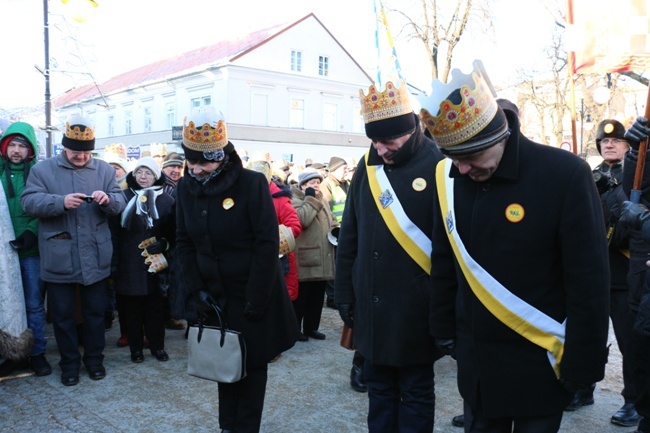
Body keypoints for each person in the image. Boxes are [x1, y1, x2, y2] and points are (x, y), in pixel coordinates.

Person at [420, 61, 610, 432]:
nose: (461, 169)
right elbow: (444, 260)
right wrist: (443, 329)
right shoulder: (450, 178)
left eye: (470, 158)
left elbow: (588, 280)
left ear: (499, 138)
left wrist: (583, 366)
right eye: (453, 159)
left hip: (538, 361)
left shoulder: (565, 174)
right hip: (478, 364)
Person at [171, 107, 299, 433]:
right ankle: (228, 426)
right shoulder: (186, 187)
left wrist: (257, 298)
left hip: (253, 294)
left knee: (252, 366)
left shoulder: (252, 184)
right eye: (191, 161)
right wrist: (194, 289)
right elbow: (184, 242)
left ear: (222, 157)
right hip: (212, 296)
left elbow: (265, 243)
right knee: (222, 363)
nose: (196, 169)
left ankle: (246, 428)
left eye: (204, 162)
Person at [334, 79, 444, 432]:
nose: (380, 149)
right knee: (377, 390)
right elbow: (350, 233)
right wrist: (345, 295)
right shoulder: (368, 167)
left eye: (388, 142)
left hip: (416, 307)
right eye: (375, 141)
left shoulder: (440, 165)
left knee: (415, 392)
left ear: (411, 131)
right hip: (371, 303)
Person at [21, 114, 127, 387]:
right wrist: (60, 202)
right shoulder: (42, 170)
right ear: (64, 147)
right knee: (63, 316)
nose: (81, 157)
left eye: (86, 152)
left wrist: (108, 200)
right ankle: (69, 364)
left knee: (95, 314)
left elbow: (119, 201)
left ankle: (94, 361)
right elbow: (29, 202)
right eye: (75, 151)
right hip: (59, 256)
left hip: (95, 254)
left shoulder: (104, 170)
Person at [564, 119, 640, 426]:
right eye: (604, 142)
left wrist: (614, 193)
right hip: (591, 272)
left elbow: (629, 223)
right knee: (585, 334)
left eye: (616, 141)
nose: (609, 144)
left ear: (628, 146)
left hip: (622, 272)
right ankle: (582, 387)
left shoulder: (635, 179)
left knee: (630, 342)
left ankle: (634, 399)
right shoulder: (588, 175)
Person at [109, 157, 175, 364]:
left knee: (155, 309)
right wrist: (114, 262)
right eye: (139, 172)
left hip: (155, 263)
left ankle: (158, 347)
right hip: (128, 261)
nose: (143, 177)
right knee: (131, 310)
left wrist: (164, 244)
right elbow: (114, 232)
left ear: (156, 175)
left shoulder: (166, 200)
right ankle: (135, 349)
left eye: (147, 173)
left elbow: (174, 232)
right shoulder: (123, 197)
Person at [0, 122, 51, 377]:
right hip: (3, 253)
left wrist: (31, 232)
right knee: (6, 303)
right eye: (13, 145)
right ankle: (11, 352)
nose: (17, 150)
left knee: (33, 304)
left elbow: (42, 206)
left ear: (30, 149)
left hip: (31, 251)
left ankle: (37, 352)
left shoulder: (37, 174)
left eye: (22, 145)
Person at [291, 167, 338, 341]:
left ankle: (312, 328)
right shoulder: (294, 199)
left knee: (317, 298)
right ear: (303, 185)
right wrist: (310, 199)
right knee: (301, 297)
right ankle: (295, 329)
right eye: (312, 183)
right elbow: (302, 220)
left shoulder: (322, 199)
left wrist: (335, 228)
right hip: (306, 256)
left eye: (318, 182)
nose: (316, 186)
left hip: (322, 255)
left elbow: (331, 218)